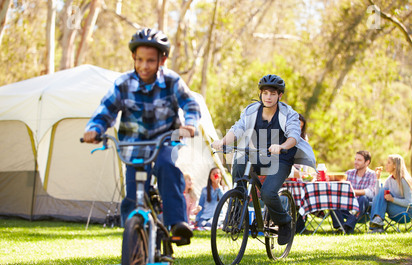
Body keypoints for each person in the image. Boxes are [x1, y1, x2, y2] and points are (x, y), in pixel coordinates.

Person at [83, 28, 201, 243]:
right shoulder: (123, 84)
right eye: (139, 60)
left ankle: (177, 223)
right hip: (134, 145)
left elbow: (190, 104)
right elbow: (105, 110)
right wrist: (95, 129)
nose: (144, 66)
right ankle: (133, 239)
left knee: (167, 167)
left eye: (150, 61)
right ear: (133, 58)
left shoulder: (172, 82)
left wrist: (190, 124)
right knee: (134, 191)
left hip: (165, 141)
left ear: (162, 60)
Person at [211, 74, 316, 245]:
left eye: (273, 94)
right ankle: (237, 207)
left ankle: (284, 222)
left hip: (281, 159)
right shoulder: (251, 110)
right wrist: (222, 142)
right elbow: (238, 128)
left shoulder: (289, 114)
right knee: (239, 160)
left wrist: (282, 146)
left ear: (279, 95)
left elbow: (294, 136)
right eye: (265, 93)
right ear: (260, 93)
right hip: (257, 155)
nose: (268, 97)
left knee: (267, 193)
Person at [331, 150, 379, 233]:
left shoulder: (372, 174)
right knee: (332, 198)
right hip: (347, 205)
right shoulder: (349, 173)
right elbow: (342, 189)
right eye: (355, 159)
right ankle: (340, 226)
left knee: (363, 198)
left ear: (367, 162)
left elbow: (371, 191)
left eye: (359, 160)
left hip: (362, 207)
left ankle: (348, 226)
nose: (356, 162)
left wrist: (353, 192)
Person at [369, 154, 412, 233]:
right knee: (382, 192)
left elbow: (409, 202)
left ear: (395, 165)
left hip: (407, 212)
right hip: (395, 209)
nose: (386, 165)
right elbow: (378, 196)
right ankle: (377, 225)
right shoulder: (389, 179)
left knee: (382, 194)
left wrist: (392, 199)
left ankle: (375, 224)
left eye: (388, 163)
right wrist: (378, 179)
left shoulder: (404, 180)